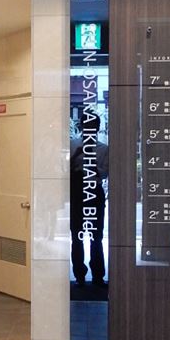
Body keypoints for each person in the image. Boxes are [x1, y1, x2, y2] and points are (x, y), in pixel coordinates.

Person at [70, 110, 109, 285]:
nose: (90, 130)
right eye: (87, 126)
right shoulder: (72, 145)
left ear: (98, 128)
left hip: (95, 193)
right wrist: (75, 156)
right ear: (82, 127)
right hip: (77, 192)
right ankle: (79, 275)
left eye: (93, 127)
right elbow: (63, 170)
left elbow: (105, 173)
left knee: (96, 236)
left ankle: (98, 275)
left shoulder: (104, 149)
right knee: (76, 235)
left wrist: (91, 165)